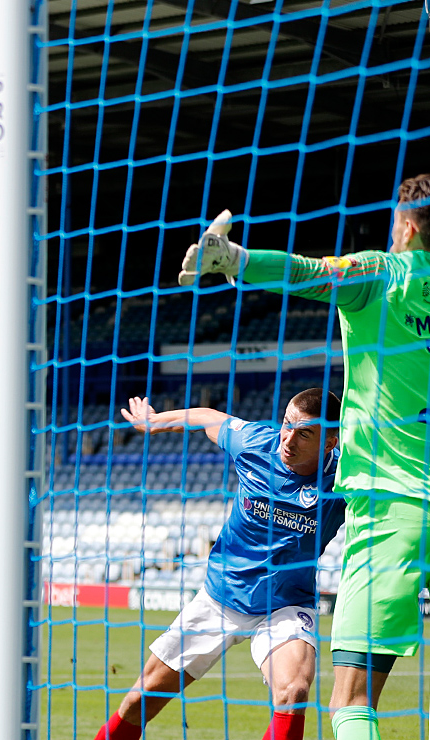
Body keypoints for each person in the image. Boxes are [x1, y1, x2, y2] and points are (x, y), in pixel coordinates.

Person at [179, 177, 430, 740]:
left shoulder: (386, 273)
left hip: (395, 504)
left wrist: (237, 259)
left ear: (407, 225)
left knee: (351, 701)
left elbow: (313, 274)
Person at [93, 389, 345, 740]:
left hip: (286, 605)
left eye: (304, 433)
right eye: (287, 425)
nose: (288, 439)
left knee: (294, 692)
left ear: (330, 441)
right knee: (140, 701)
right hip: (220, 597)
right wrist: (155, 423)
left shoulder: (346, 477)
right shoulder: (256, 443)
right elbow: (208, 417)